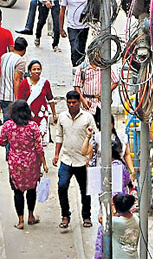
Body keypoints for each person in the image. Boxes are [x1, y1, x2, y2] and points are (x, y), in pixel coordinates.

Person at [52, 90, 96, 230]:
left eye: (74, 102)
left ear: (79, 103)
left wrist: (90, 157)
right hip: (66, 159)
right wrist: (56, 155)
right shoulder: (62, 117)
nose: (71, 105)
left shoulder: (87, 117)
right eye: (69, 103)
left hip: (82, 160)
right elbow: (59, 136)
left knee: (85, 190)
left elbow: (94, 138)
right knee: (62, 186)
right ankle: (65, 215)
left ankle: (86, 216)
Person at [0, 100, 45, 230]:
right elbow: (39, 147)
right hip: (31, 162)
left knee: (17, 191)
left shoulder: (8, 126)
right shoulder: (33, 126)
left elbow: (1, 142)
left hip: (15, 163)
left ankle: (20, 220)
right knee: (31, 189)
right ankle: (30, 216)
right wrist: (43, 163)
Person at [16, 59, 56, 137]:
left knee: (41, 137)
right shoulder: (24, 83)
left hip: (42, 115)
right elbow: (19, 101)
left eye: (38, 69)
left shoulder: (45, 83)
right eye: (34, 69)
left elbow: (50, 99)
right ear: (30, 71)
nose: (36, 71)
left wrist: (54, 114)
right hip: (28, 115)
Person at [63, 0, 92, 68]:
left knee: (81, 48)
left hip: (84, 26)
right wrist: (61, 28)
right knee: (74, 48)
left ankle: (81, 69)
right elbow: (62, 11)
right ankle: (75, 67)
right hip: (72, 27)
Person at [0, 36, 28, 121]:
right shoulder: (20, 61)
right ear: (24, 49)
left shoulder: (4, 56)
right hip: (12, 98)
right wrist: (17, 99)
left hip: (3, 95)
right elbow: (17, 80)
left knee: (7, 124)